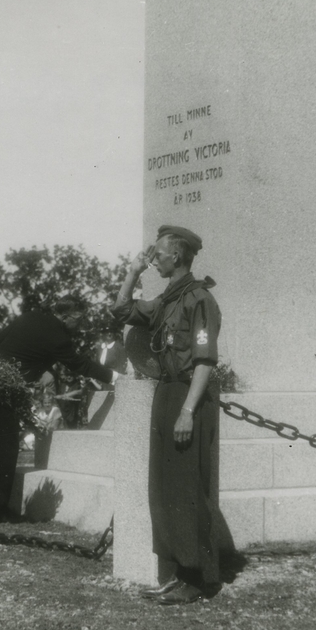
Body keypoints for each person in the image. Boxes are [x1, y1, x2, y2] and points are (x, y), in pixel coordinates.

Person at [114, 225, 225, 605]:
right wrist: (133, 272)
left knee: (186, 489)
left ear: (176, 256)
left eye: (158, 255)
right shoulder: (166, 300)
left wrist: (187, 412)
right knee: (163, 488)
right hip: (165, 392)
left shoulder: (200, 300)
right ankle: (177, 574)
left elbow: (205, 361)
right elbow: (123, 310)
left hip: (186, 395)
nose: (154, 260)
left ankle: (196, 578)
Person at [0, 295, 118, 523]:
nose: (80, 325)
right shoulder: (58, 336)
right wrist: (114, 376)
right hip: (2, 389)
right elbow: (78, 364)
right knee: (4, 448)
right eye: (79, 320)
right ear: (66, 316)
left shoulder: (30, 317)